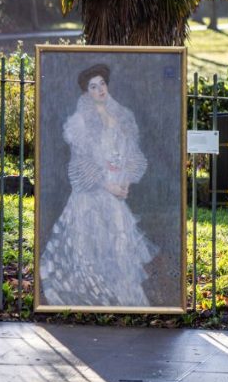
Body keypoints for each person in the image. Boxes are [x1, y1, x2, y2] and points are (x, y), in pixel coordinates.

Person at [40, 64, 155, 306]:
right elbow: (80, 163)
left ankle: (124, 301)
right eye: (93, 87)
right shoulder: (79, 122)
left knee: (119, 245)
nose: (100, 89)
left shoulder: (122, 116)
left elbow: (131, 153)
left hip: (116, 193)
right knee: (92, 246)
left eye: (102, 84)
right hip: (91, 195)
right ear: (86, 92)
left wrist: (124, 180)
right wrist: (107, 185)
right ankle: (95, 299)